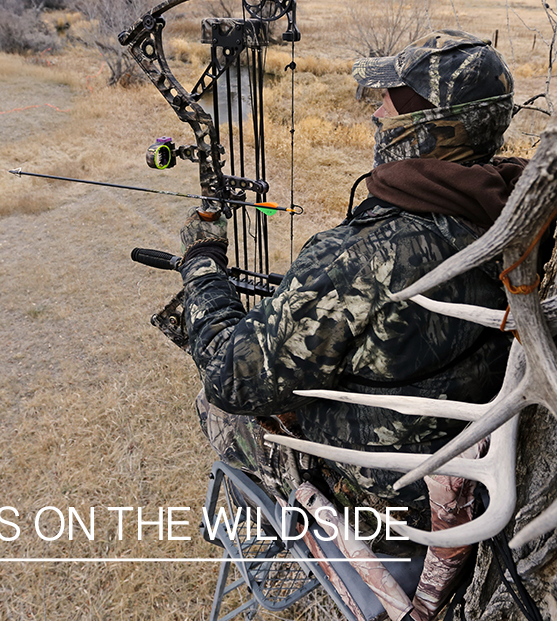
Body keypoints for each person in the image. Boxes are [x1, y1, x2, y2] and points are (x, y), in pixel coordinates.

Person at [178, 29, 526, 531]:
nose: (378, 115)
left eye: (391, 104)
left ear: (429, 128)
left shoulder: (358, 258)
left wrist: (202, 261)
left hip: (390, 502)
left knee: (218, 410)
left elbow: (231, 378)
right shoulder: (516, 208)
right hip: (465, 471)